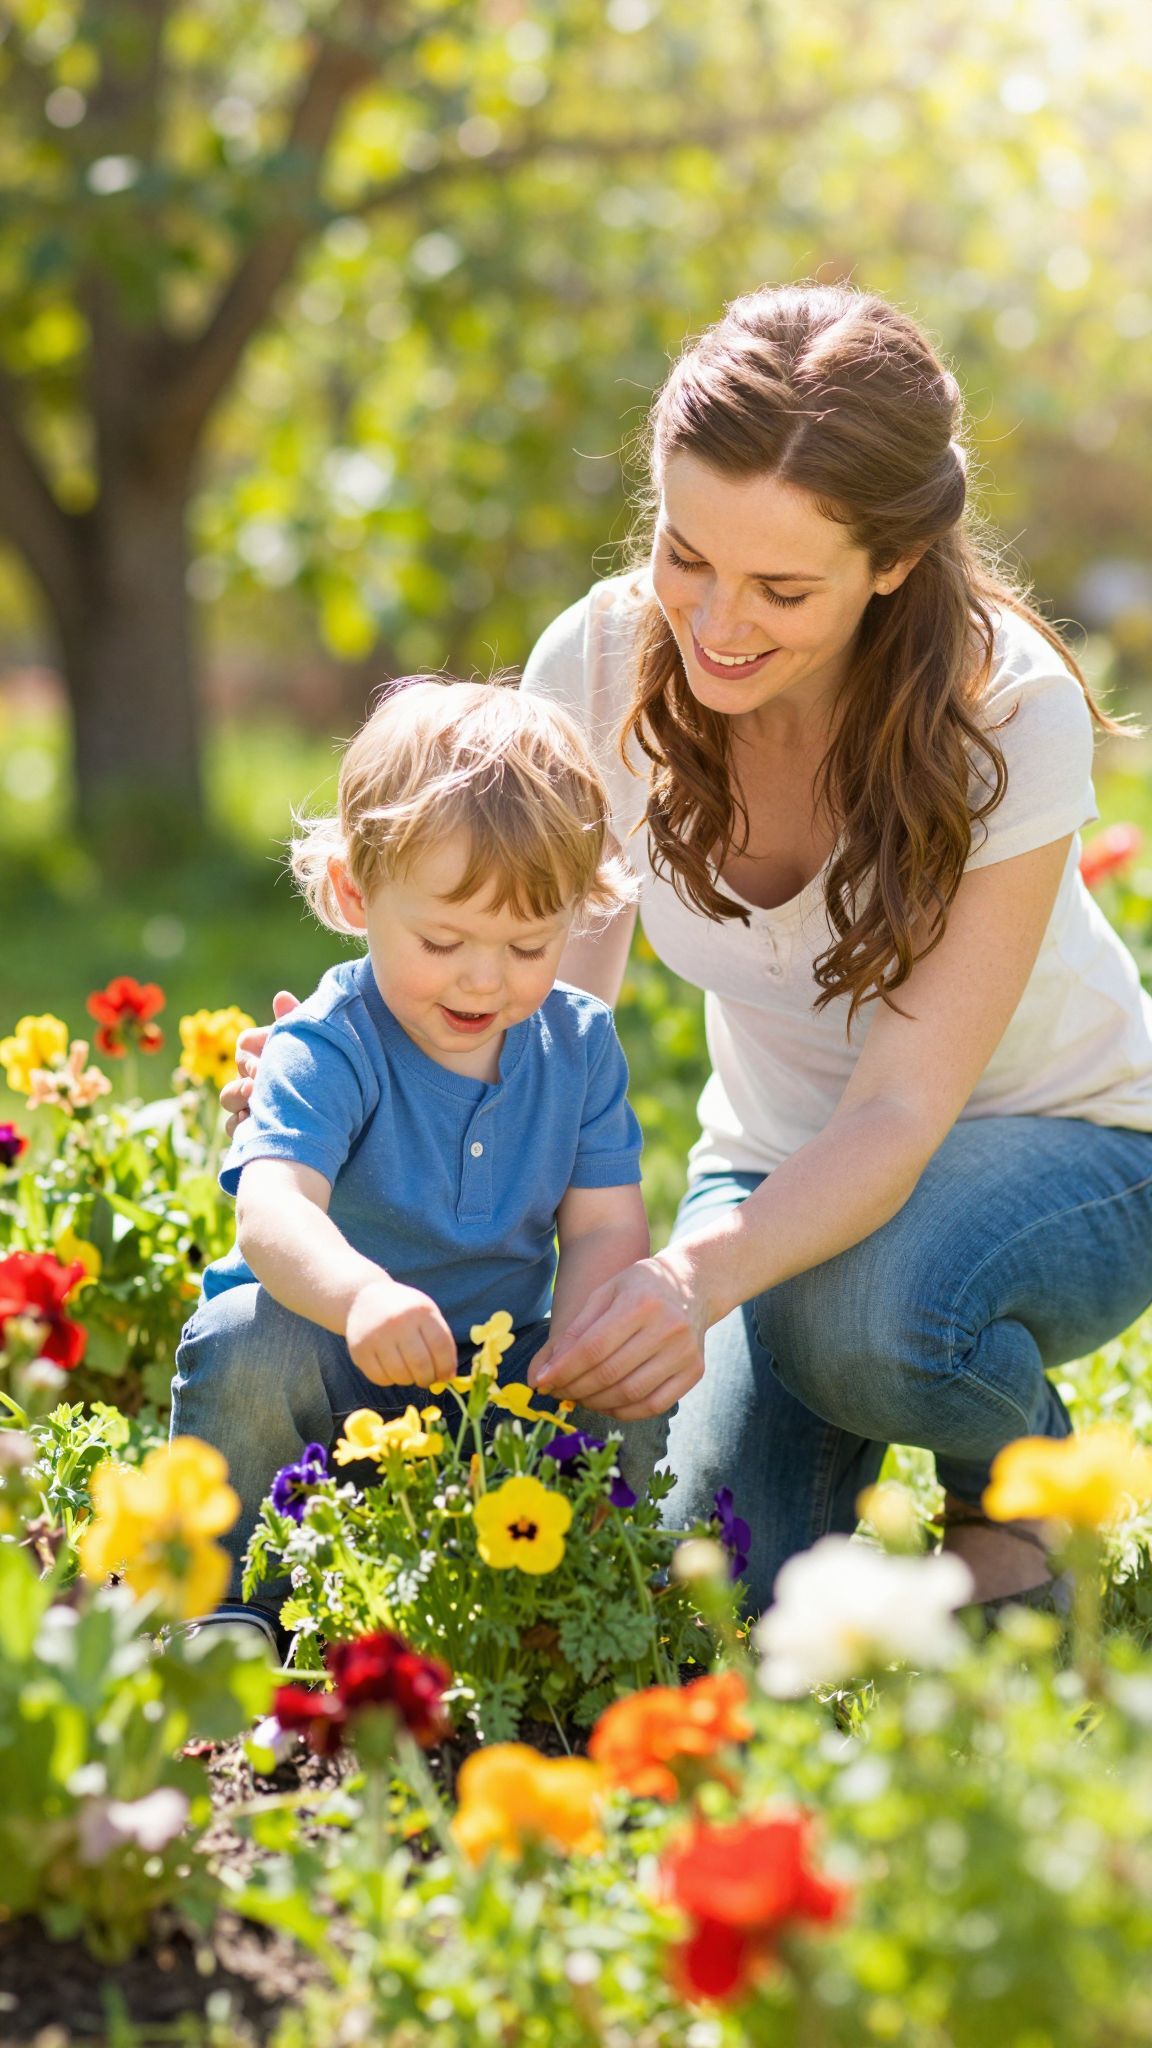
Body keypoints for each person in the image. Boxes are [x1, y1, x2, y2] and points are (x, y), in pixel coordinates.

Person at [226, 282, 1152, 1618]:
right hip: (773, 1163)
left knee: (873, 1321)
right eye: (685, 552)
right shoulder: (602, 666)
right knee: (708, 1575)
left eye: (781, 586)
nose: (714, 622)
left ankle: (1018, 1493)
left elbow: (896, 1113)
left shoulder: (1004, 706)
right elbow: (540, 1029)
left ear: (891, 561)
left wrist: (689, 1281)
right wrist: (365, 1071)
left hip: (1067, 1142)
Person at [173, 678, 653, 1658]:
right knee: (243, 1340)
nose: (486, 977)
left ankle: (593, 1595)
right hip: (331, 1358)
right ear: (355, 894)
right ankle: (227, 1603)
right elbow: (272, 1209)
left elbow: (604, 1224)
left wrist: (586, 1343)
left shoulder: (580, 1041)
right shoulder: (331, 1039)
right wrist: (359, 1298)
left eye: (530, 942)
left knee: (630, 1367)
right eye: (444, 940)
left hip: (495, 1374)